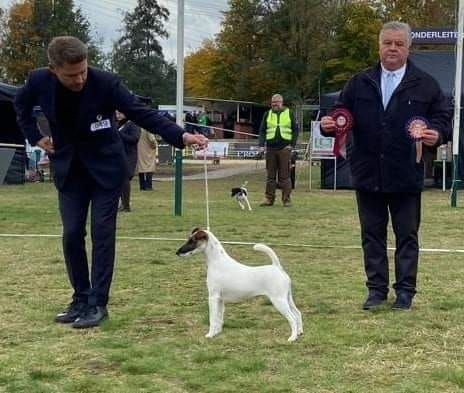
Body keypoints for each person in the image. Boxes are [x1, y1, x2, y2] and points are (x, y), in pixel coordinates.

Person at [14, 36, 208, 328]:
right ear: (53, 69)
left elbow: (143, 113)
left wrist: (181, 136)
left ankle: (97, 304)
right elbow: (21, 104)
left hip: (107, 170)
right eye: (71, 75)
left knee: (102, 234)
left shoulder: (106, 83)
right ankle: (79, 298)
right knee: (71, 234)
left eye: (83, 70)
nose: (80, 78)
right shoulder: (38, 81)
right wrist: (35, 136)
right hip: (69, 169)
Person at [320, 21, 451, 310]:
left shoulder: (426, 84)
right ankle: (376, 291)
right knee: (371, 235)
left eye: (399, 44)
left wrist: (437, 133)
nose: (392, 48)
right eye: (387, 43)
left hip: (407, 173)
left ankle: (405, 292)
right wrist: (329, 124)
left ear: (408, 48)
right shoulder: (359, 81)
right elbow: (339, 114)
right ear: (379, 45)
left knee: (407, 235)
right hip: (367, 172)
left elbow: (443, 118)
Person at [258, 93, 299, 207]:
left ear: (282, 102)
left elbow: (296, 130)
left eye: (277, 102)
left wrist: (292, 145)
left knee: (284, 176)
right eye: (273, 103)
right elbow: (262, 131)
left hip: (285, 149)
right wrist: (261, 145)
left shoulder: (289, 113)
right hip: (270, 148)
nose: (275, 104)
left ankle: (286, 200)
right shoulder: (267, 114)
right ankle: (269, 199)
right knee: (270, 176)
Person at [115, 110, 140, 211]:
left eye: (120, 113)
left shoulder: (132, 124)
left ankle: (126, 206)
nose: (118, 115)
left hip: (129, 156)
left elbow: (134, 139)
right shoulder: (118, 125)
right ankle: (122, 204)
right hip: (119, 155)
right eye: (117, 113)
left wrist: (119, 135)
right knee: (119, 181)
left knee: (125, 180)